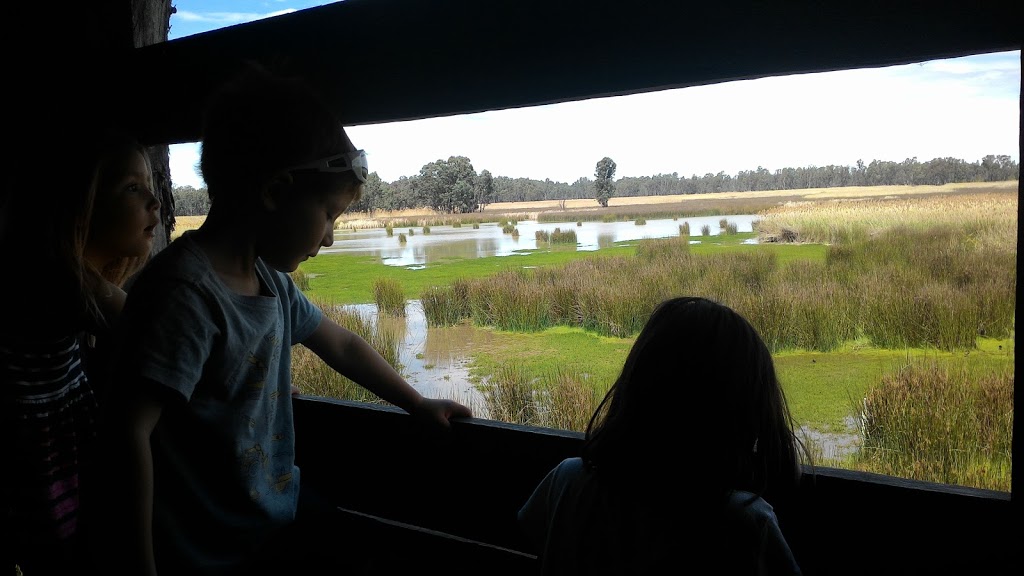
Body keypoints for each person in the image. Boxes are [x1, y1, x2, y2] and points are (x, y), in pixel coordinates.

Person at [98, 62, 473, 576]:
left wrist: (416, 402)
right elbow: (127, 434)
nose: (330, 238)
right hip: (207, 551)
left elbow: (338, 343)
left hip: (274, 515)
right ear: (275, 192)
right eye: (328, 215)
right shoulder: (182, 296)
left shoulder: (270, 281)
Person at [517, 296, 810, 575]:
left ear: (635, 390)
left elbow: (530, 538)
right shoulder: (744, 520)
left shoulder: (567, 481)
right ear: (743, 414)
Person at [1, 127, 160, 575]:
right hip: (42, 457)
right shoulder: (56, 279)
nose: (154, 201)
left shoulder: (62, 276)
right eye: (132, 188)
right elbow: (161, 341)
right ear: (78, 204)